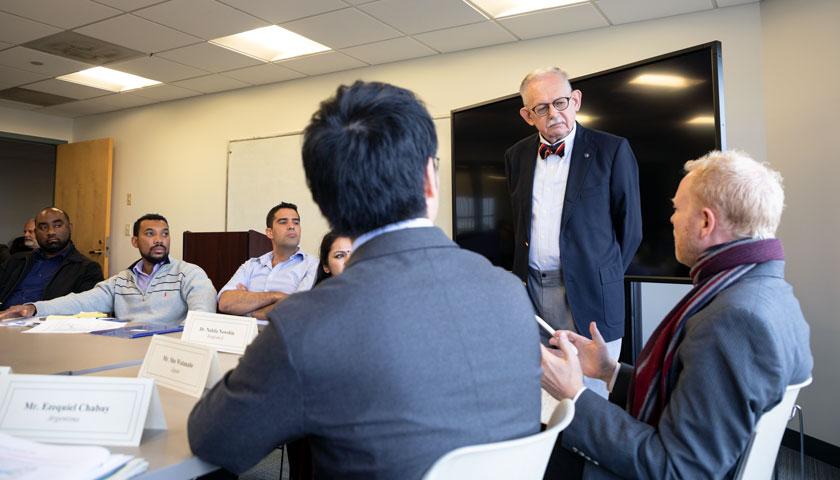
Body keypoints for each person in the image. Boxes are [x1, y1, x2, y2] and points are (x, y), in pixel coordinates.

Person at [188, 81, 542, 478]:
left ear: (324, 202)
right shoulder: (510, 291)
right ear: (430, 177)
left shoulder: (309, 323)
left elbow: (213, 440)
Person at [540, 150, 813, 479]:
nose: (671, 219)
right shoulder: (768, 291)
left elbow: (678, 468)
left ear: (706, 222)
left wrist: (574, 394)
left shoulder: (734, 320)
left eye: (677, 208)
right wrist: (608, 370)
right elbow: (696, 400)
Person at [505, 67, 642, 396]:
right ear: (527, 115)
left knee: (590, 395)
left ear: (576, 101)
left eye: (561, 102)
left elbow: (631, 229)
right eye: (542, 108)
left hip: (590, 295)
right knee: (540, 391)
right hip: (532, 292)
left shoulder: (612, 150)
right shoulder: (516, 156)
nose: (554, 114)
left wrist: (599, 274)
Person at [0, 213, 217, 323]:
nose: (159, 240)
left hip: (166, 352)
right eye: (150, 234)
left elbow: (203, 316)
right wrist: (34, 308)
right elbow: (80, 300)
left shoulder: (189, 273)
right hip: (123, 350)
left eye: (165, 233)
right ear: (134, 241)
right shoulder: (120, 281)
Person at [217, 203, 318, 319]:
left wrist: (249, 307)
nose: (291, 226)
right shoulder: (252, 265)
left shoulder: (312, 265)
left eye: (296, 222)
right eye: (283, 222)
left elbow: (297, 306)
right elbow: (225, 303)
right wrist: (276, 296)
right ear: (269, 232)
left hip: (283, 336)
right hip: (247, 336)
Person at [0, 208, 103, 310]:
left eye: (57, 225)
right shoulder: (17, 261)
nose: (51, 232)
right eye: (44, 227)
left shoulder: (87, 268)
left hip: (46, 323)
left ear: (70, 228)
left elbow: (88, 308)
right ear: (36, 232)